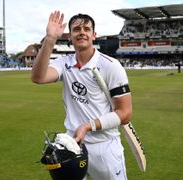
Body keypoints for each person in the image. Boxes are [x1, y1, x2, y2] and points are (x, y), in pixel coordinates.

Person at [31, 11, 132, 180]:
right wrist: (50, 39)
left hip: (104, 146)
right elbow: (38, 77)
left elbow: (125, 113)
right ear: (70, 36)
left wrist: (87, 126)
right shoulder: (64, 63)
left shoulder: (111, 66)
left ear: (94, 35)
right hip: (72, 146)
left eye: (87, 28)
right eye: (76, 29)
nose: (82, 32)